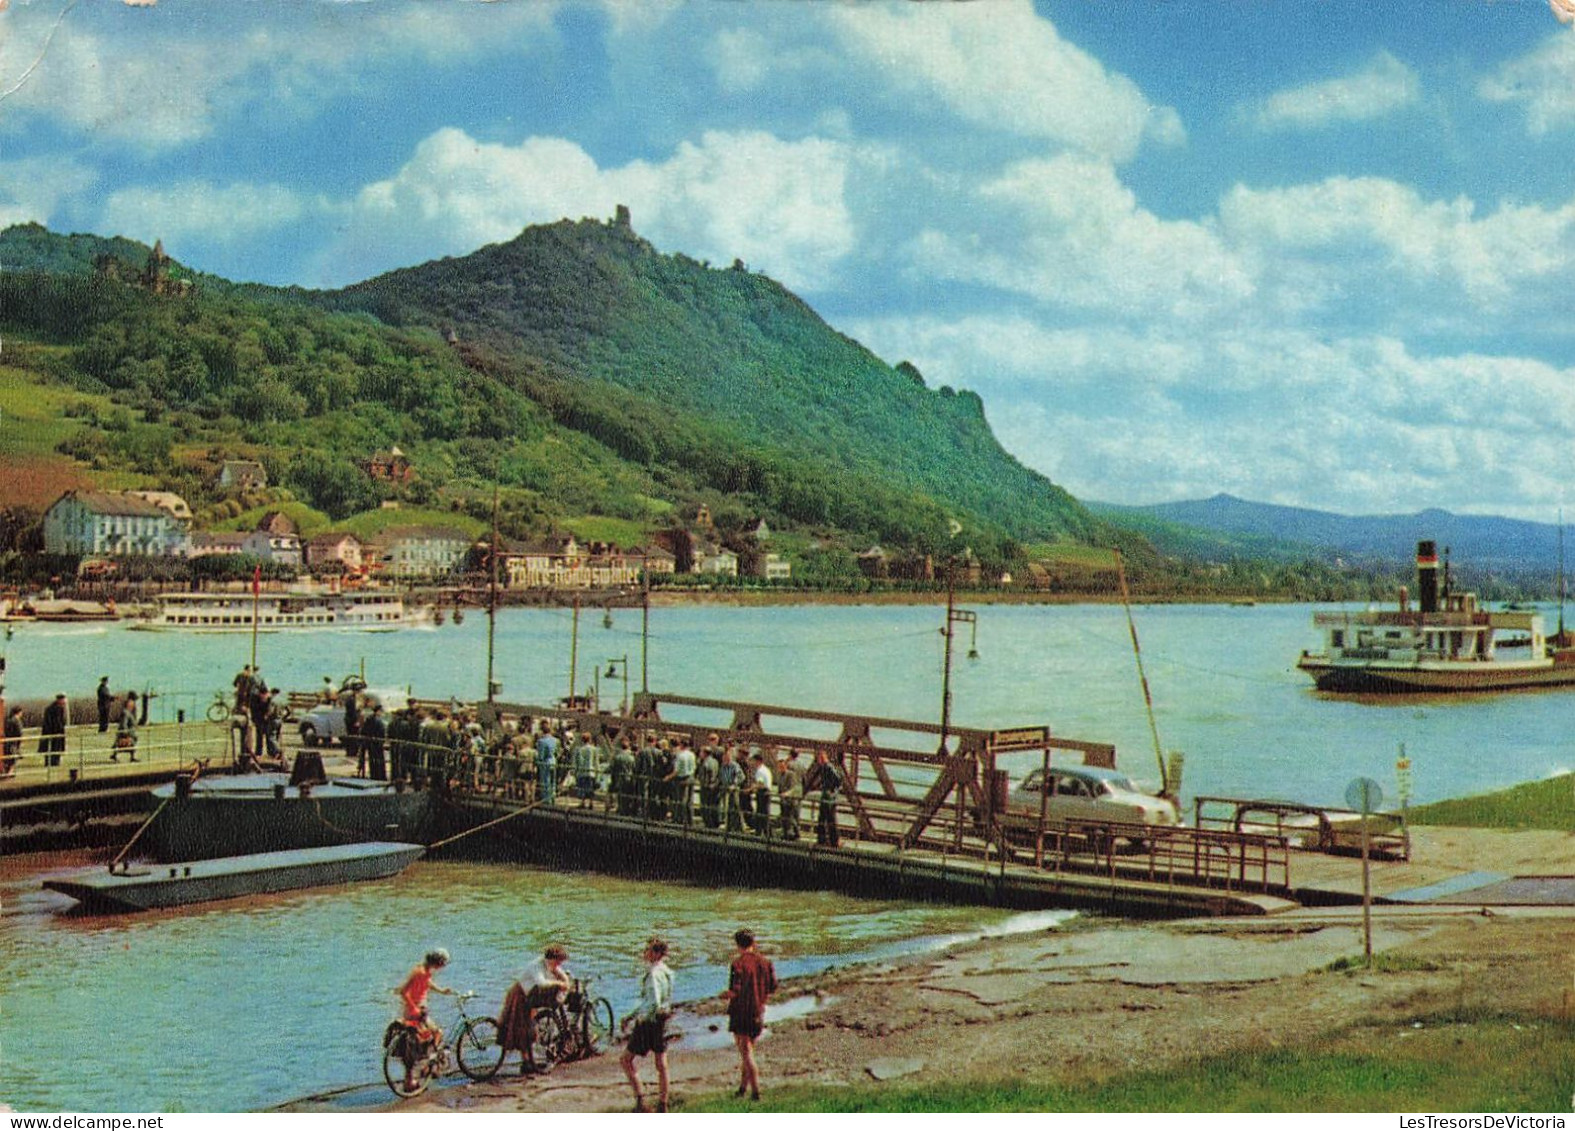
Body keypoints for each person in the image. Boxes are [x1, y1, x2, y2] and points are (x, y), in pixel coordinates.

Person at [498, 943, 572, 1075]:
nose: (558, 966)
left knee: (529, 1029)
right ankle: (526, 1062)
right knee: (522, 1029)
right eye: (558, 962)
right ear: (552, 959)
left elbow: (562, 976)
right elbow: (541, 983)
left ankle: (528, 1062)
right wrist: (559, 983)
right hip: (520, 996)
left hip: (531, 996)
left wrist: (565, 981)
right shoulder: (536, 966)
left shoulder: (550, 965)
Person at [620, 938, 674, 1113]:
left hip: (649, 1022)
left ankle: (640, 1100)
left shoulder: (653, 974)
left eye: (648, 950)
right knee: (661, 1062)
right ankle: (663, 1103)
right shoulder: (668, 972)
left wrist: (632, 1017)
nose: (645, 953)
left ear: (656, 953)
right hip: (663, 1020)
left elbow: (652, 1002)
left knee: (625, 1060)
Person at [723, 929, 776, 1102]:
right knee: (748, 1051)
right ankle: (742, 1088)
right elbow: (773, 987)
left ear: (737, 944)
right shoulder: (766, 962)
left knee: (746, 1053)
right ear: (754, 942)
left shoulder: (737, 964)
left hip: (740, 1013)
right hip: (758, 1011)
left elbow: (735, 991)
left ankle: (756, 1092)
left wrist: (724, 995)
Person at [397, 949, 453, 1093]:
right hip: (415, 1014)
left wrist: (441, 991)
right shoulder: (419, 973)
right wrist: (414, 1008)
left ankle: (419, 1074)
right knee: (437, 1033)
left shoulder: (424, 971)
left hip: (418, 1011)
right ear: (438, 963)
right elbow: (403, 992)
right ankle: (428, 1066)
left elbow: (427, 983)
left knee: (419, 1043)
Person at [806, 749, 842, 847]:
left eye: (818, 758)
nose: (818, 761)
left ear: (822, 758)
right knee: (823, 818)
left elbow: (838, 779)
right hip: (826, 795)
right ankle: (823, 839)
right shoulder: (824, 767)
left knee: (829, 819)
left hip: (828, 797)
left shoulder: (828, 767)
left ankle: (832, 840)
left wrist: (831, 789)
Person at [667, 737, 696, 826]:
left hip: (682, 779)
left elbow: (677, 771)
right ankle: (690, 820)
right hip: (691, 778)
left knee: (680, 800)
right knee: (689, 801)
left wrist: (667, 777)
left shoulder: (680, 756)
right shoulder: (692, 754)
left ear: (682, 745)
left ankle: (680, 819)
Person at [776, 750, 802, 840]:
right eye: (780, 766)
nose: (781, 767)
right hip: (787, 799)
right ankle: (787, 833)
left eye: (782, 766)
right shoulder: (780, 775)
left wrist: (786, 794)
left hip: (790, 800)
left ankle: (795, 833)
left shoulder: (790, 773)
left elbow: (792, 787)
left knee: (790, 818)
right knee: (787, 817)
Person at [695, 741, 722, 829]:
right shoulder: (715, 761)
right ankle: (714, 824)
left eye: (701, 752)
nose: (700, 754)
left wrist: (705, 783)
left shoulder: (706, 763)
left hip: (706, 787)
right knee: (712, 806)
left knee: (705, 806)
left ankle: (708, 824)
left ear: (705, 753)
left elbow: (707, 776)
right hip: (713, 787)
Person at [534, 721, 560, 805]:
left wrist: (537, 762)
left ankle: (546, 799)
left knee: (545, 781)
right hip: (553, 761)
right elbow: (557, 752)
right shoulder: (556, 740)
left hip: (545, 763)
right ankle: (553, 798)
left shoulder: (541, 741)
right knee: (553, 781)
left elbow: (541, 755)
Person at [749, 752, 773, 835]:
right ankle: (766, 833)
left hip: (763, 793)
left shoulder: (760, 771)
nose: (752, 763)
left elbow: (760, 783)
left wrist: (750, 789)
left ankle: (761, 833)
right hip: (766, 793)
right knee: (764, 814)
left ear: (758, 761)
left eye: (753, 761)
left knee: (761, 814)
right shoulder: (766, 769)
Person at [362, 702, 388, 780]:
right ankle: (380, 776)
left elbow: (364, 730)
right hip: (377, 744)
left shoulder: (369, 719)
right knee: (379, 761)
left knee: (372, 761)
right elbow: (382, 733)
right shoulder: (379, 721)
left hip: (370, 743)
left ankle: (374, 775)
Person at [40, 693, 67, 768]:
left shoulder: (49, 708)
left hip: (49, 732)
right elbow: (58, 722)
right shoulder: (58, 708)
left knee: (50, 748)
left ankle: (49, 762)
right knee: (55, 748)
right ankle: (55, 762)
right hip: (55, 732)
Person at [572, 731, 598, 809]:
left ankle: (583, 802)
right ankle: (591, 803)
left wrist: (574, 771)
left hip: (581, 771)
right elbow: (596, 762)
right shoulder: (594, 749)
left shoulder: (578, 749)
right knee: (590, 788)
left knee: (582, 787)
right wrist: (597, 772)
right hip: (591, 771)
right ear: (590, 739)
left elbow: (575, 761)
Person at [111, 691, 138, 762]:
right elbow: (124, 723)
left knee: (131, 744)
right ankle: (115, 755)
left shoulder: (129, 712)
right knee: (123, 744)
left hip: (131, 732)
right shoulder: (126, 713)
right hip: (127, 732)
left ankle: (132, 756)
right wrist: (125, 732)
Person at [2, 705, 23, 776]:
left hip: (6, 740)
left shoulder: (7, 720)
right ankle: (10, 772)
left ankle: (7, 771)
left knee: (8, 756)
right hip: (14, 741)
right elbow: (19, 732)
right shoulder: (16, 721)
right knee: (13, 757)